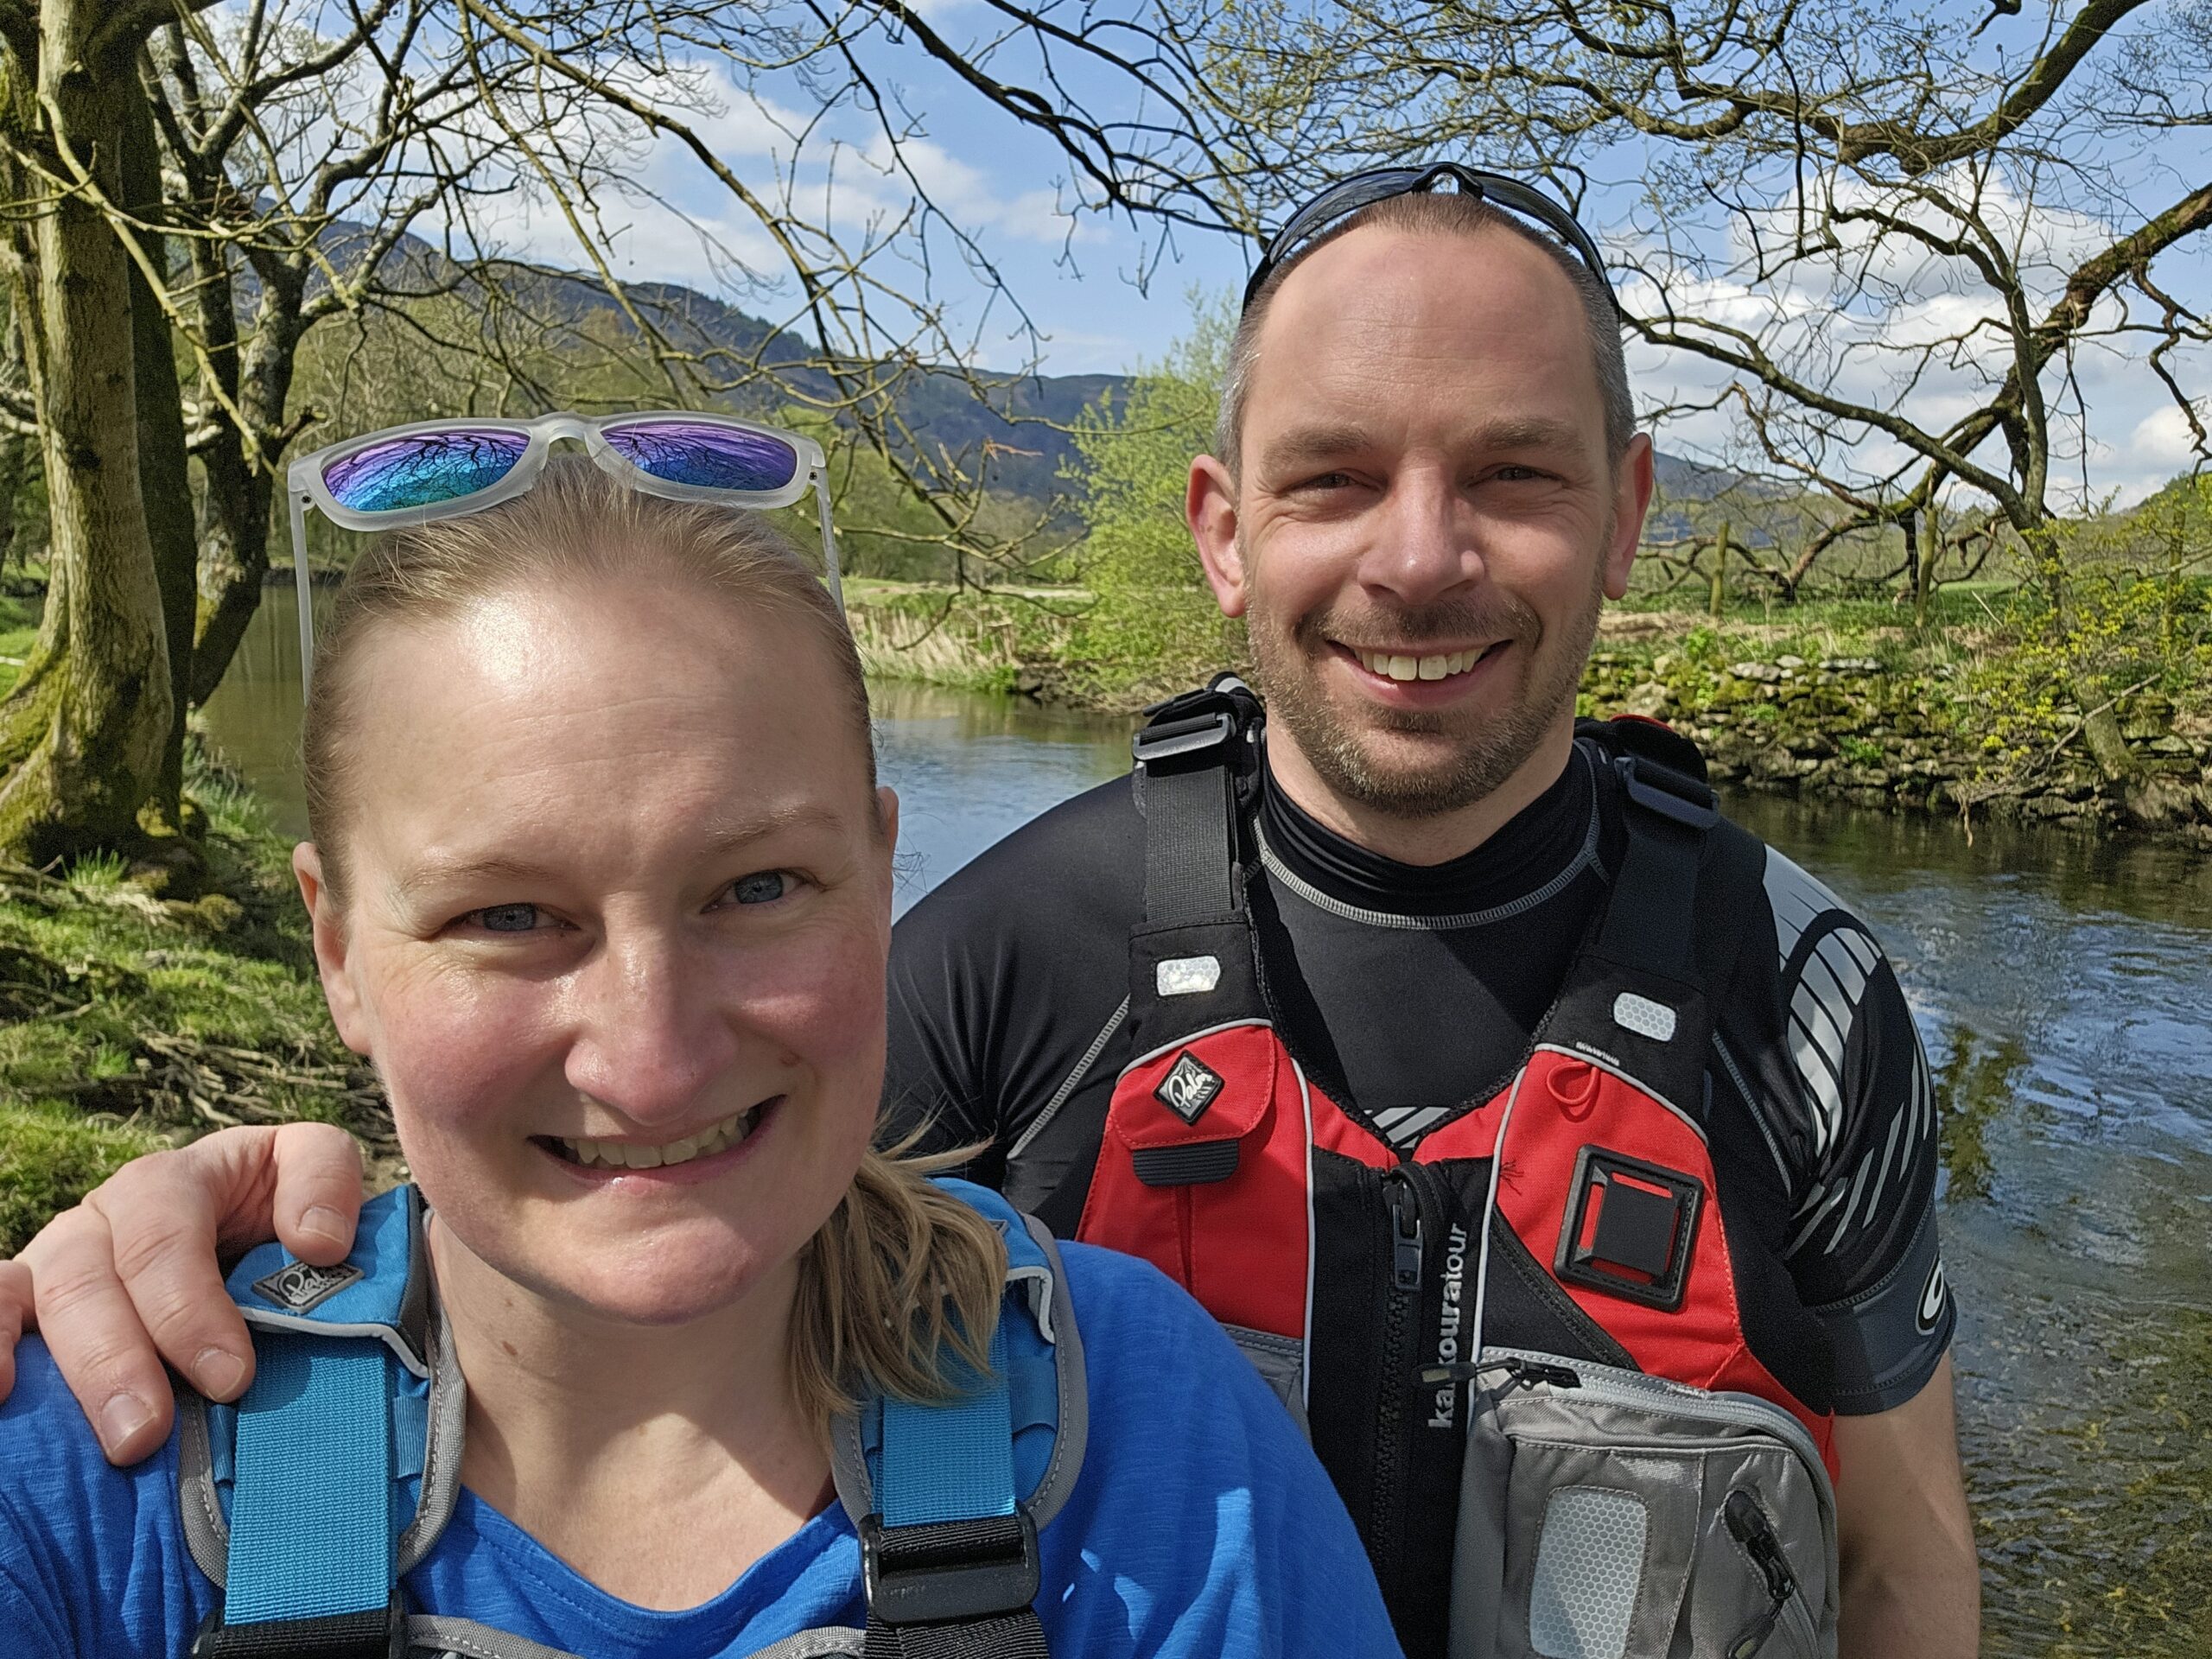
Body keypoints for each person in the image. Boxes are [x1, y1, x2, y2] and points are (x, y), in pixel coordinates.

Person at [0, 168, 1980, 1656]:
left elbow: (1906, 1556)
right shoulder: (1006, 950)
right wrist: (288, 1222)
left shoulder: (1800, 1001)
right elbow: (652, 1213)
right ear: (1219, 530)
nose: (1418, 556)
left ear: (1629, 510)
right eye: (1333, 478)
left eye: (1514, 475)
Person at [0, 446, 1401, 1657]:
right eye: (506, 916)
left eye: (757, 888)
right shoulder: (94, 1470)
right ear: (338, 951)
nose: (652, 1061)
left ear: (884, 876)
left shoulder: (1149, 1445)